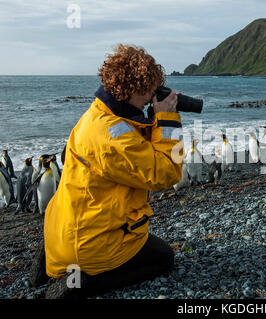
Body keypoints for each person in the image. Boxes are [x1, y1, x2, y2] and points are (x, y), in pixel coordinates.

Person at [29, 44, 184, 299]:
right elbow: (165, 173)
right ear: (133, 89)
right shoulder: (113, 135)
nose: (151, 96)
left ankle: (53, 261)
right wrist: (167, 121)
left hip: (65, 232)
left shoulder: (96, 116)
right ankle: (82, 282)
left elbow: (131, 152)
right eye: (149, 89)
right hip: (90, 245)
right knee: (163, 258)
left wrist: (151, 120)